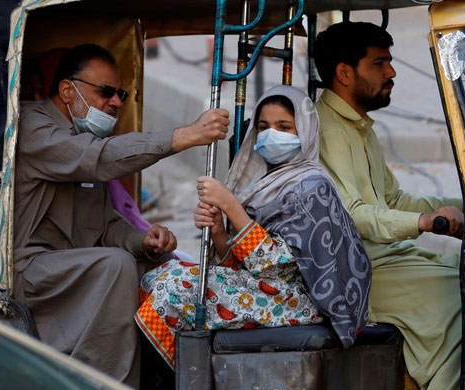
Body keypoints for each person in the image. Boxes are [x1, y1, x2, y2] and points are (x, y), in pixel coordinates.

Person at [13, 43, 229, 387]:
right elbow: (95, 158)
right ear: (68, 91)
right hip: (29, 272)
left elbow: (104, 225)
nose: (115, 102)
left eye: (120, 94)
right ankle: (101, 388)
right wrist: (183, 136)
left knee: (163, 266)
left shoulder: (82, 136)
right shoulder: (33, 126)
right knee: (115, 266)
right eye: (105, 92)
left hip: (70, 271)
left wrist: (142, 240)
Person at [135, 85, 371, 368]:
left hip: (297, 299)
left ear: (305, 131)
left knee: (174, 290)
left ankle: (184, 382)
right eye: (263, 127)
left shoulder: (312, 188)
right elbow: (237, 263)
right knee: (159, 275)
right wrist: (221, 231)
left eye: (284, 127)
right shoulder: (263, 184)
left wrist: (231, 206)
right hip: (265, 287)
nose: (272, 135)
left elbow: (277, 264)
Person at [314, 22, 464, 390]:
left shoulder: (359, 127)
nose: (392, 72)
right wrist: (423, 223)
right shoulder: (326, 129)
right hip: (362, 272)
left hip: (392, 258)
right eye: (380, 63)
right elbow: (353, 214)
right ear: (345, 73)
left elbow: (392, 201)